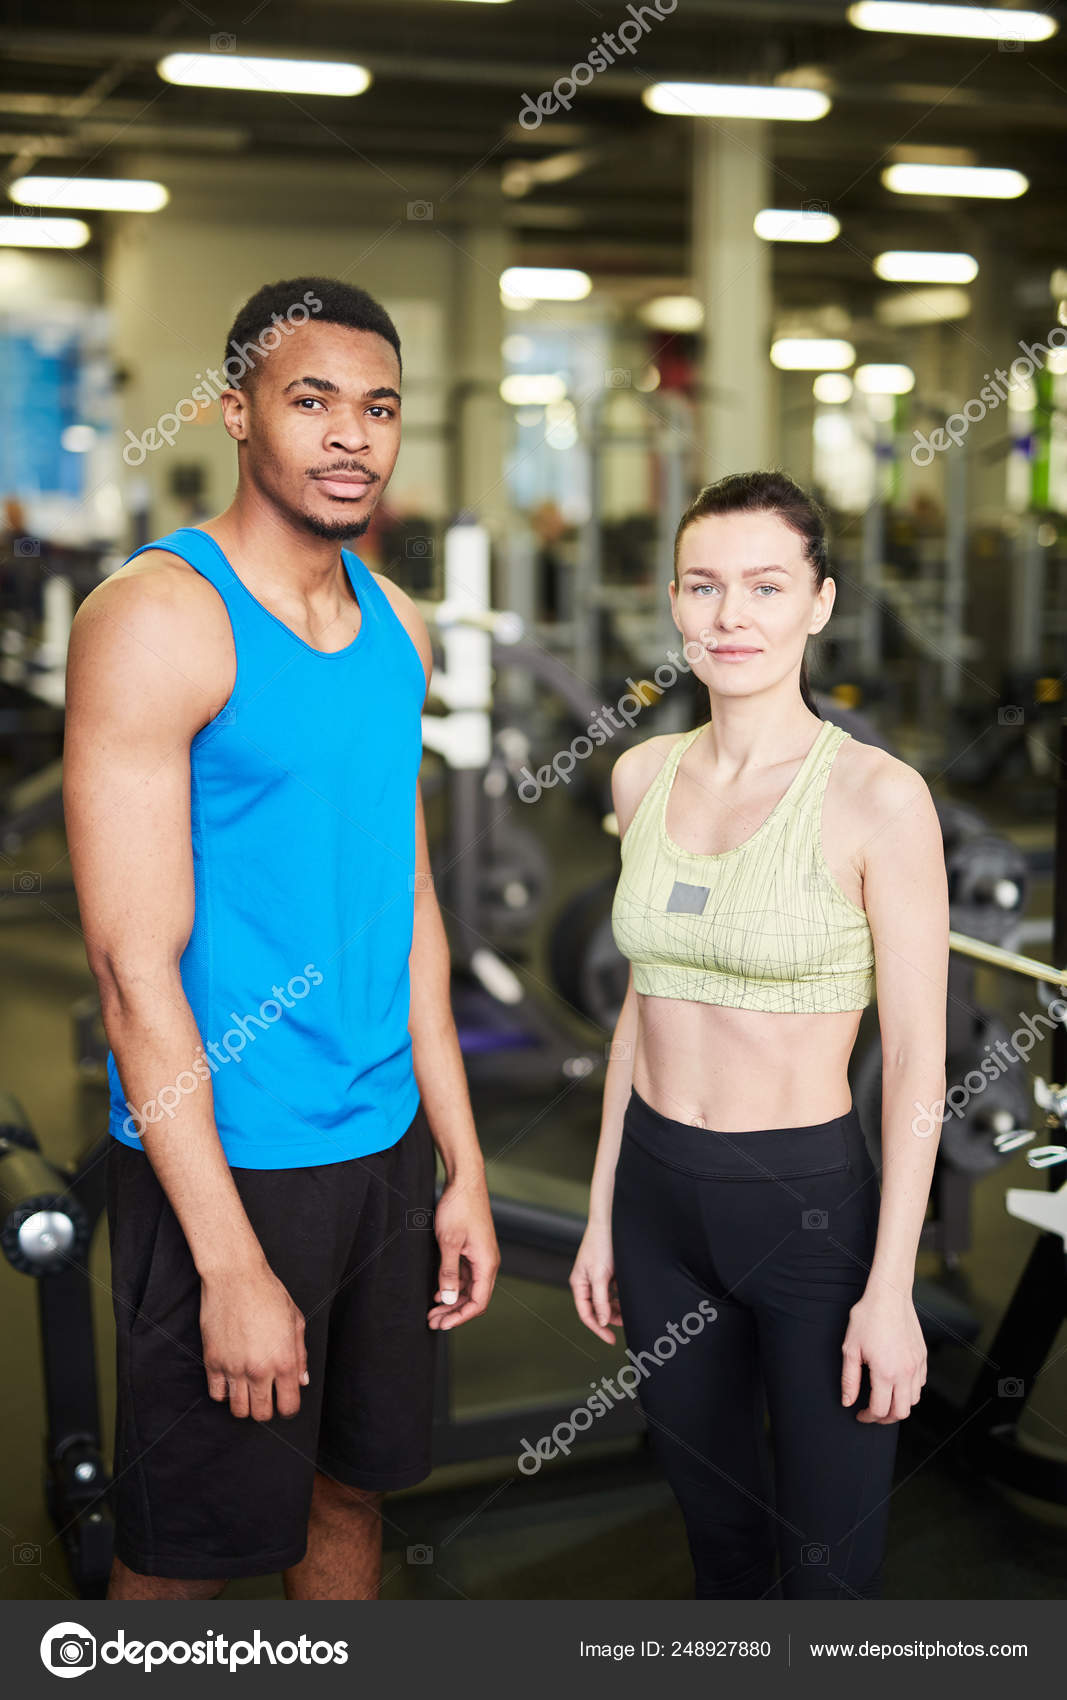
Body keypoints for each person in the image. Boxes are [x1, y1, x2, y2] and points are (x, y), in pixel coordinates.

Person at [63, 276, 500, 1601]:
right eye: (311, 401)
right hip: (230, 1158)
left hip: (382, 1152)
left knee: (347, 1499)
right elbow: (132, 975)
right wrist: (229, 1262)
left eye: (376, 408)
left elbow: (408, 902)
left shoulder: (394, 629)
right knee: (179, 1559)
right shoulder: (156, 619)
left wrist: (462, 1166)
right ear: (233, 409)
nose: (349, 436)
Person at [569, 470, 947, 1601]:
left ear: (816, 603)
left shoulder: (878, 799)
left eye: (764, 585)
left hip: (804, 1210)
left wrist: (891, 1286)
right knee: (717, 1541)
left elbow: (920, 1060)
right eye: (703, 585)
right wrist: (599, 1215)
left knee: (827, 1570)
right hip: (654, 1201)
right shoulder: (641, 775)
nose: (730, 615)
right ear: (674, 601)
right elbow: (640, 1006)